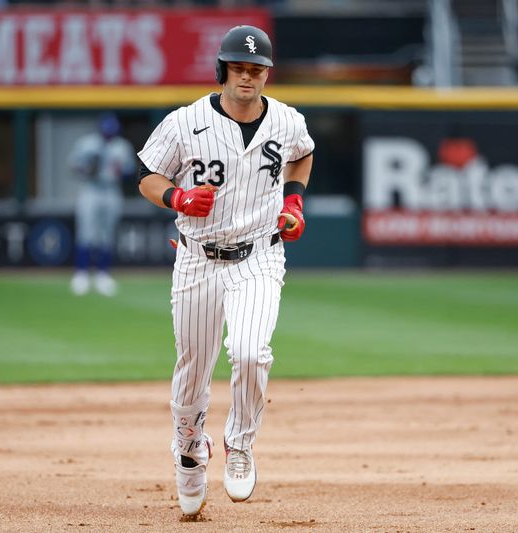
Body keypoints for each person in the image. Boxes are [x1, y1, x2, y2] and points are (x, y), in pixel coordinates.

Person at [137, 25, 314, 518]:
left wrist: (295, 203)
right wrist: (176, 197)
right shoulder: (185, 121)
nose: (248, 76)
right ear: (223, 70)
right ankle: (190, 451)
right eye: (239, 67)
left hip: (259, 254)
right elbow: (148, 176)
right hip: (196, 258)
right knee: (193, 371)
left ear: (266, 75)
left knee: (252, 352)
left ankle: (240, 443)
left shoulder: (286, 120)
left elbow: (302, 155)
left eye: (257, 69)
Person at [69, 112, 135, 296]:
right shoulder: (87, 143)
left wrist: (121, 171)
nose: (108, 134)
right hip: (90, 189)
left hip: (111, 189)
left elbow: (129, 171)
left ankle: (102, 275)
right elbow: (73, 166)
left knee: (107, 233)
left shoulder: (121, 146)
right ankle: (81, 274)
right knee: (86, 232)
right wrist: (87, 169)